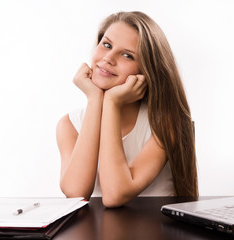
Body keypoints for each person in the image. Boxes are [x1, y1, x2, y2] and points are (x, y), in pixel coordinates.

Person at [56, 11, 198, 208]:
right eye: (106, 45)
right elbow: (76, 193)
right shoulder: (69, 125)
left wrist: (112, 103)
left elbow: (115, 195)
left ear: (146, 70)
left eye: (127, 55)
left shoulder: (165, 123)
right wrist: (95, 98)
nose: (108, 58)